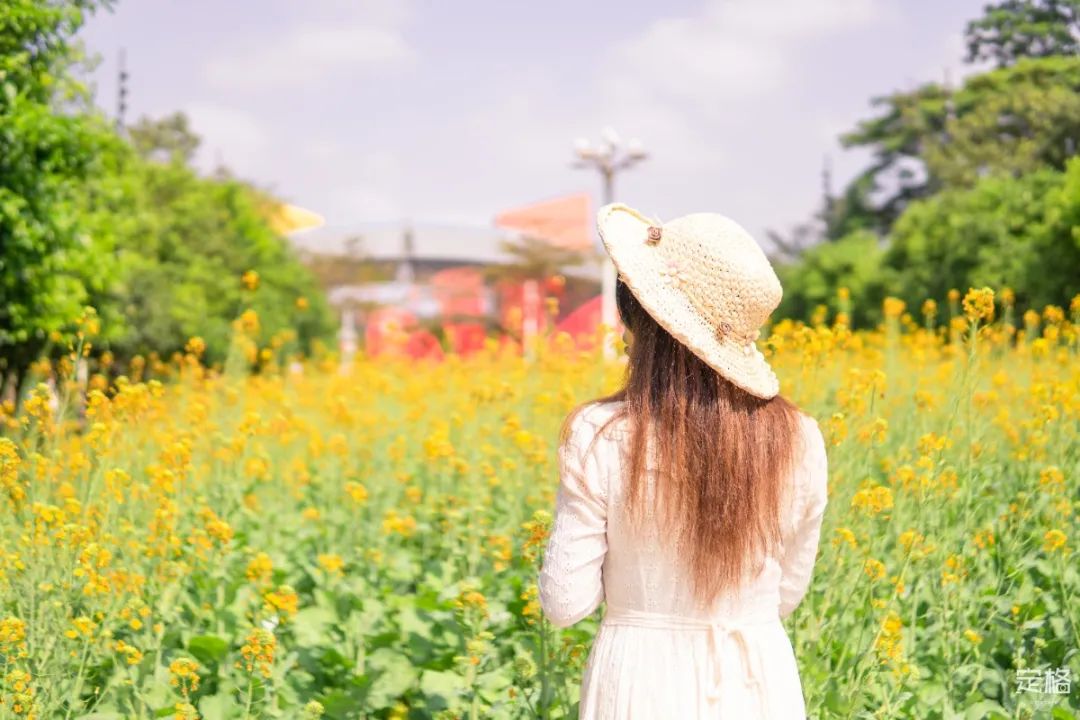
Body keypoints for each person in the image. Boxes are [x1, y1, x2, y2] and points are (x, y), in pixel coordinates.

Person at [538, 203, 829, 719]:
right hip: (758, 682)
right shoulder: (801, 439)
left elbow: (565, 603)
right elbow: (786, 594)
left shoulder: (601, 434)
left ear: (644, 319)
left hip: (640, 685)